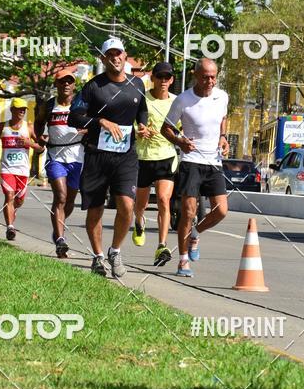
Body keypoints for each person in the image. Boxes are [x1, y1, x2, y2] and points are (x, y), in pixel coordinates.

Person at [68, 37, 150, 278]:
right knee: (95, 209)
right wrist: (100, 121)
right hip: (97, 155)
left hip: (125, 156)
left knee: (126, 205)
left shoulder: (137, 84)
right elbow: (74, 117)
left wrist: (142, 125)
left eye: (119, 53)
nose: (115, 58)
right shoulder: (93, 87)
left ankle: (115, 251)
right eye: (110, 54)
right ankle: (98, 256)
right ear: (103, 59)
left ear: (125, 56)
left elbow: (142, 109)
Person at [161, 57, 229, 277]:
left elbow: (223, 117)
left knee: (221, 210)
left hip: (214, 161)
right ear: (196, 75)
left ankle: (195, 234)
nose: (210, 82)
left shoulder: (222, 97)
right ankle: (183, 261)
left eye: (213, 77)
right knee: (188, 212)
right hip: (191, 162)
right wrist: (180, 142)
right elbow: (166, 128)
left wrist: (223, 137)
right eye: (205, 77)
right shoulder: (183, 100)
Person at [132, 61, 179, 266]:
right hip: (143, 156)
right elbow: (131, 123)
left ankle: (162, 245)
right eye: (159, 76)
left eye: (167, 77)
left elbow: (181, 128)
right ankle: (138, 221)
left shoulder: (177, 102)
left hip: (166, 156)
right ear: (152, 78)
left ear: (172, 80)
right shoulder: (142, 99)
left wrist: (180, 137)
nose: (163, 81)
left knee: (163, 199)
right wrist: (139, 131)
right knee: (141, 204)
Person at [34, 72, 85, 258]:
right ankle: (61, 240)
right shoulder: (49, 106)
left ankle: (58, 230)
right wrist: (39, 137)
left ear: (74, 85)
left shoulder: (81, 105)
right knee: (61, 197)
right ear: (56, 84)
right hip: (55, 156)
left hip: (77, 157)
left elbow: (92, 125)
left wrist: (87, 130)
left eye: (69, 82)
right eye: (62, 81)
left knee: (69, 201)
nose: (66, 85)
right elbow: (38, 123)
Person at [0, 98, 37, 240]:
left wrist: (29, 143)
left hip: (23, 170)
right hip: (7, 168)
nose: (22, 111)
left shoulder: (29, 127)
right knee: (9, 196)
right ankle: (10, 227)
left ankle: (12, 210)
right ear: (12, 110)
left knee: (19, 200)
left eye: (24, 109)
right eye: (19, 108)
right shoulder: (2, 126)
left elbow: (41, 147)